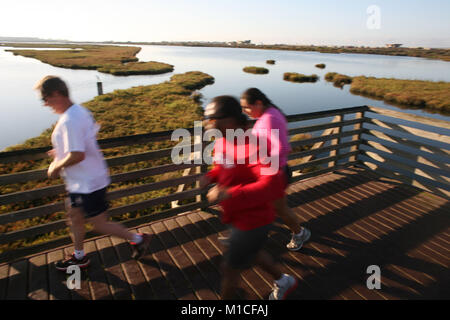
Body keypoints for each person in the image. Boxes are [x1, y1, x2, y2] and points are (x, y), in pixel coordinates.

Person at [34, 76, 151, 271]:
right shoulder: (79, 111)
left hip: (87, 183)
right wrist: (61, 151)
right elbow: (83, 144)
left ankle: (139, 239)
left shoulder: (70, 120)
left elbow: (78, 155)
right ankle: (79, 257)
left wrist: (55, 166)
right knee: (75, 218)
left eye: (45, 99)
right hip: (85, 181)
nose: (45, 104)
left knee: (99, 225)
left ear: (56, 94)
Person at [201, 95, 298, 300]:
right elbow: (223, 167)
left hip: (255, 220)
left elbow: (272, 185)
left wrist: (228, 193)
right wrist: (210, 176)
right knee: (253, 252)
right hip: (236, 216)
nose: (209, 124)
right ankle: (283, 280)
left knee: (229, 269)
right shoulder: (222, 142)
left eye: (213, 119)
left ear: (230, 120)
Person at [240, 88, 311, 251]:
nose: (244, 111)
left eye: (247, 107)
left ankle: (300, 233)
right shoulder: (268, 114)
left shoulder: (270, 118)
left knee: (280, 210)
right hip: (270, 171)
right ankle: (245, 236)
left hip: (274, 173)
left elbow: (284, 148)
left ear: (258, 103)